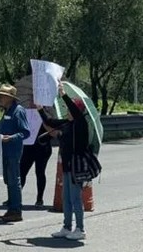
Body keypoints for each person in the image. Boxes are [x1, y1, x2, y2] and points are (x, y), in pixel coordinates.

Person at [39, 82, 90, 241]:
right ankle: (67, 227)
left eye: (70, 109)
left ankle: (80, 229)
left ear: (77, 111)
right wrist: (40, 109)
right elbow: (49, 121)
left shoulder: (81, 123)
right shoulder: (67, 124)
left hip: (76, 166)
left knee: (76, 198)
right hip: (67, 166)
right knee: (66, 198)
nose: (67, 110)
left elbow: (75, 110)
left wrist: (63, 94)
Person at [0, 83, 31, 222]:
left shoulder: (18, 111)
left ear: (10, 98)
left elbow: (25, 132)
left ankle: (16, 210)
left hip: (13, 151)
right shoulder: (7, 111)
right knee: (8, 180)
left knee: (14, 180)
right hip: (5, 150)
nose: (0, 98)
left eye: (3, 96)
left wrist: (11, 138)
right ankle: (11, 208)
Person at [20, 120, 53, 208]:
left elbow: (52, 133)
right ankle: (16, 197)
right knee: (22, 171)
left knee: (40, 172)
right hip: (29, 147)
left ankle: (39, 199)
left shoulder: (47, 115)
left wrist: (43, 118)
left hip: (43, 147)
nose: (32, 105)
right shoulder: (28, 113)